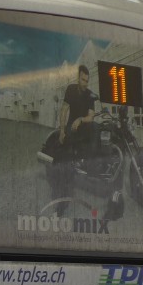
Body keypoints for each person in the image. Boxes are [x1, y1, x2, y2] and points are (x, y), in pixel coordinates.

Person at [51, 64, 98, 213]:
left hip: (83, 127)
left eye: (87, 81)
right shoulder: (71, 90)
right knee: (65, 165)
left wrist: (81, 120)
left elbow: (91, 117)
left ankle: (88, 164)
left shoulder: (90, 94)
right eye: (83, 80)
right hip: (71, 128)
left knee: (96, 127)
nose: (85, 83)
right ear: (78, 78)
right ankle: (62, 203)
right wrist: (62, 130)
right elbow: (64, 110)